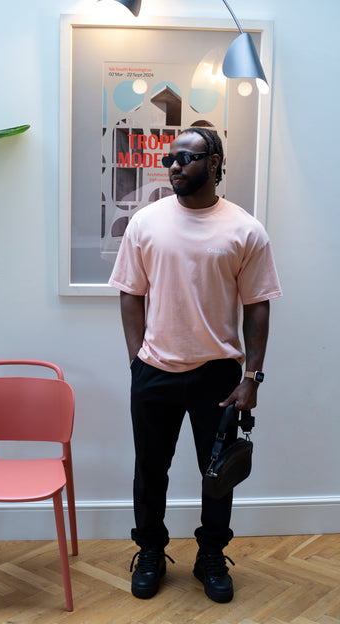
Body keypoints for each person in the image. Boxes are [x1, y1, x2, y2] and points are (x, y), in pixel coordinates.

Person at [108, 127, 282, 604]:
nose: (176, 165)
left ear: (215, 163)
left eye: (188, 157)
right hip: (155, 371)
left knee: (219, 473)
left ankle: (210, 556)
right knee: (150, 470)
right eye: (172, 157)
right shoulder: (146, 223)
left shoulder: (244, 229)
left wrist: (253, 377)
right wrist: (136, 361)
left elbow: (258, 304)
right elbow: (130, 293)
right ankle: (149, 551)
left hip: (219, 375)